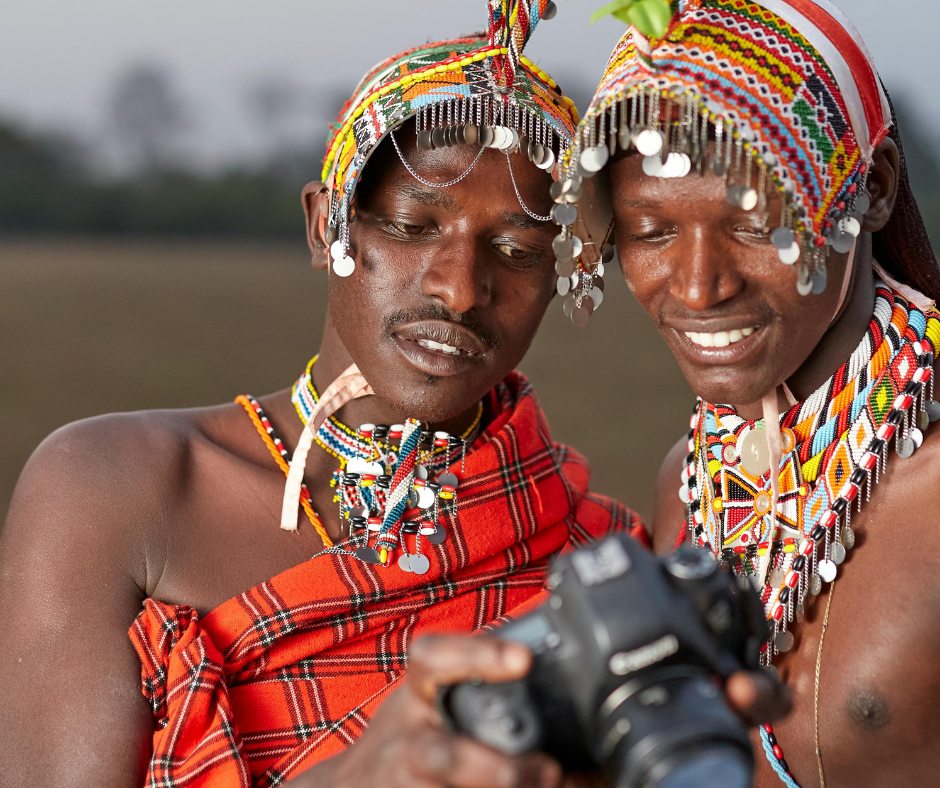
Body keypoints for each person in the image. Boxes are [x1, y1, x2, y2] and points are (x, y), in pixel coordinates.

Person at [555, 0, 940, 785]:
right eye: (652, 232)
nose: (698, 288)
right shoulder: (690, 483)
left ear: (871, 190)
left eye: (759, 225)